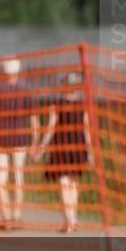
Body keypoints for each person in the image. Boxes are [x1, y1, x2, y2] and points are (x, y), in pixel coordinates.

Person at [0, 58, 38, 230]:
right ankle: (16, 216)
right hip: (20, 141)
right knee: (17, 177)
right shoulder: (26, 92)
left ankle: (6, 217)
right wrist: (34, 142)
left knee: (0, 179)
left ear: (1, 72)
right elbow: (34, 120)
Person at [36, 72, 90, 233]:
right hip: (64, 147)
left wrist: (90, 150)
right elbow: (51, 128)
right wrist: (43, 147)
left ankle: (71, 220)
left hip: (74, 147)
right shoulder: (57, 103)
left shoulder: (81, 104)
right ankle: (71, 220)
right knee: (65, 183)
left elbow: (86, 128)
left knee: (71, 183)